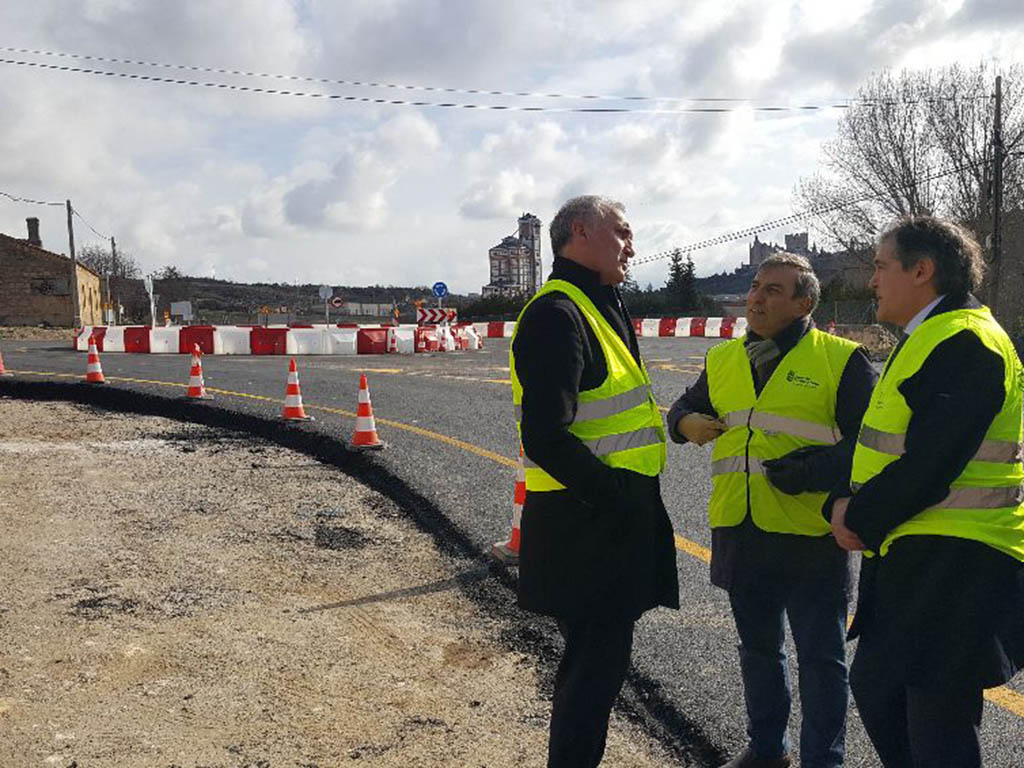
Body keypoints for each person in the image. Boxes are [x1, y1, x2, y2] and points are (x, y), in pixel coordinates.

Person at [667, 252, 877, 768]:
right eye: (756, 287)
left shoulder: (840, 359)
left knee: (822, 661)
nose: (756, 298)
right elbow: (682, 409)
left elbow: (870, 446)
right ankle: (766, 752)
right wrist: (686, 424)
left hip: (811, 536)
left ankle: (821, 761)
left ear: (804, 302)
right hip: (740, 529)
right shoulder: (724, 359)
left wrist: (813, 470)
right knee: (758, 652)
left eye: (773, 291)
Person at [829, 216, 1024, 768]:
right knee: (880, 688)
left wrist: (856, 515)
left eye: (880, 267)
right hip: (919, 548)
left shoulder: (967, 341)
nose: (872, 281)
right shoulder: (932, 337)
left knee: (934, 720)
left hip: (959, 557)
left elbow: (930, 464)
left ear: (922, 271)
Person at [512, 195, 679, 767]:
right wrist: (614, 499)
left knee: (596, 672)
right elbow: (546, 436)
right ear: (580, 233)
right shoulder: (558, 314)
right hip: (586, 528)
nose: (632, 245)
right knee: (592, 677)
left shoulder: (597, 303)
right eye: (623, 233)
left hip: (604, 524)